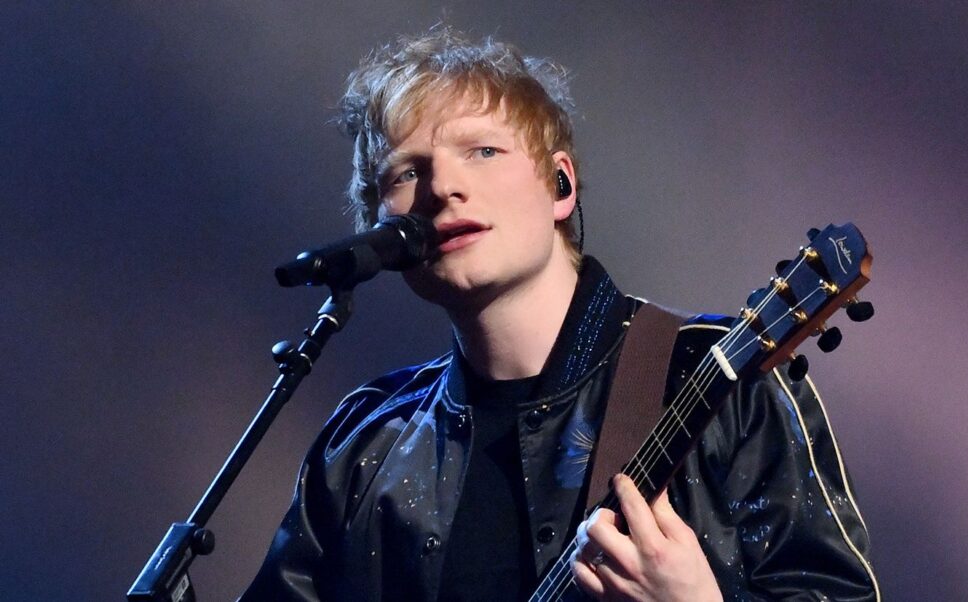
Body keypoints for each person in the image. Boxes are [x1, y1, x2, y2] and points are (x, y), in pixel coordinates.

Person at [243, 28, 880, 602]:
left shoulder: (715, 375)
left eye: (483, 151)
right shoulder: (365, 443)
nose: (443, 189)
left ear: (560, 186)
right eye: (406, 172)